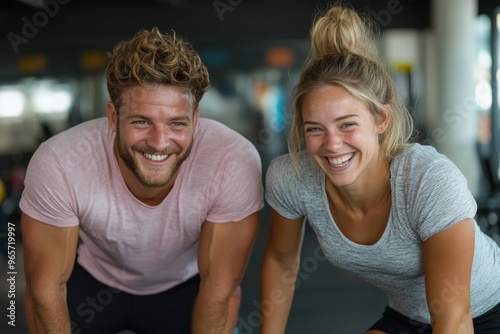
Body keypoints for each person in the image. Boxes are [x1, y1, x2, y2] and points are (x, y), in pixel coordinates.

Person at [261, 4, 500, 334]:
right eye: (315, 128)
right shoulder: (292, 178)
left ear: (381, 120)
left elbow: (454, 318)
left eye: (347, 125)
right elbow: (281, 261)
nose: (332, 145)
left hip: (485, 310)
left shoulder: (429, 181)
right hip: (409, 314)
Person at [20, 27, 264, 334]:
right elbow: (45, 289)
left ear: (196, 120)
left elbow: (221, 290)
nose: (159, 142)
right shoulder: (60, 161)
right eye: (141, 121)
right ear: (112, 117)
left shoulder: (233, 160)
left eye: (176, 123)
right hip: (95, 282)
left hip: (184, 286)